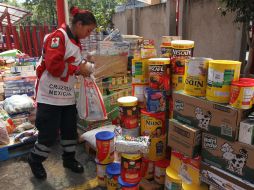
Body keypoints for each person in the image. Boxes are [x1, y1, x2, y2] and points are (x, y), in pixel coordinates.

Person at [28, 6, 97, 180]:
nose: (88, 34)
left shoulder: (75, 41)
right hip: (50, 96)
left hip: (66, 96)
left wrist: (86, 64)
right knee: (49, 134)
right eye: (88, 30)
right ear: (79, 24)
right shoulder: (58, 37)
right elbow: (54, 67)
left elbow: (74, 62)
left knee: (69, 130)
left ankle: (69, 159)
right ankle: (35, 160)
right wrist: (78, 69)